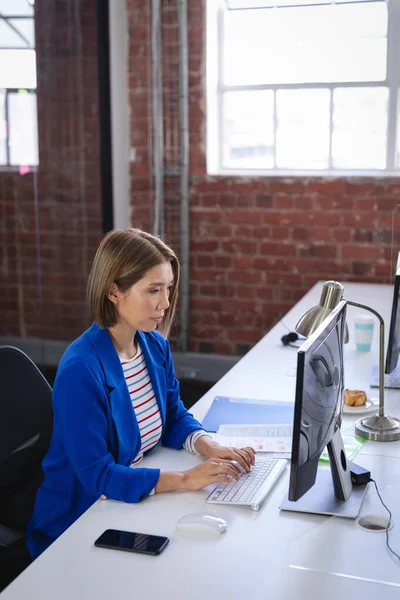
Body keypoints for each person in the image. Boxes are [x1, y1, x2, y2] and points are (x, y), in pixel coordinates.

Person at [27, 228, 255, 558]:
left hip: (129, 500)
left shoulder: (153, 345)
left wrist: (210, 446)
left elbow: (173, 414)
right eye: (153, 290)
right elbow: (99, 475)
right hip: (78, 521)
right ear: (113, 292)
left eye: (168, 289)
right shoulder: (81, 369)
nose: (164, 303)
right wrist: (187, 478)